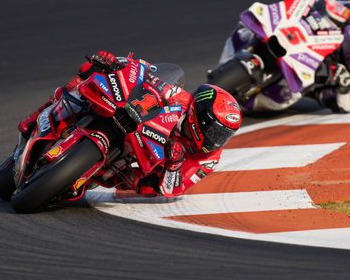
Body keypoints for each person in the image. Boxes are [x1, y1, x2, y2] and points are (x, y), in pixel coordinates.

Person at [17, 51, 242, 198]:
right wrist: (118, 64)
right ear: (199, 115)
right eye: (215, 130)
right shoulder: (180, 99)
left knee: (140, 185)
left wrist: (174, 164)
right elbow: (148, 73)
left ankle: (80, 175)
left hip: (141, 164)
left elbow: (174, 189)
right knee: (82, 79)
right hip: (132, 120)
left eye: (223, 135)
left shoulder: (209, 159)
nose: (216, 139)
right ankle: (35, 120)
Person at [219, 0, 350, 113]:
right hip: (324, 43)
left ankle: (269, 93)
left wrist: (345, 86)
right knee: (259, 25)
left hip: (331, 80)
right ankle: (247, 42)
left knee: (306, 95)